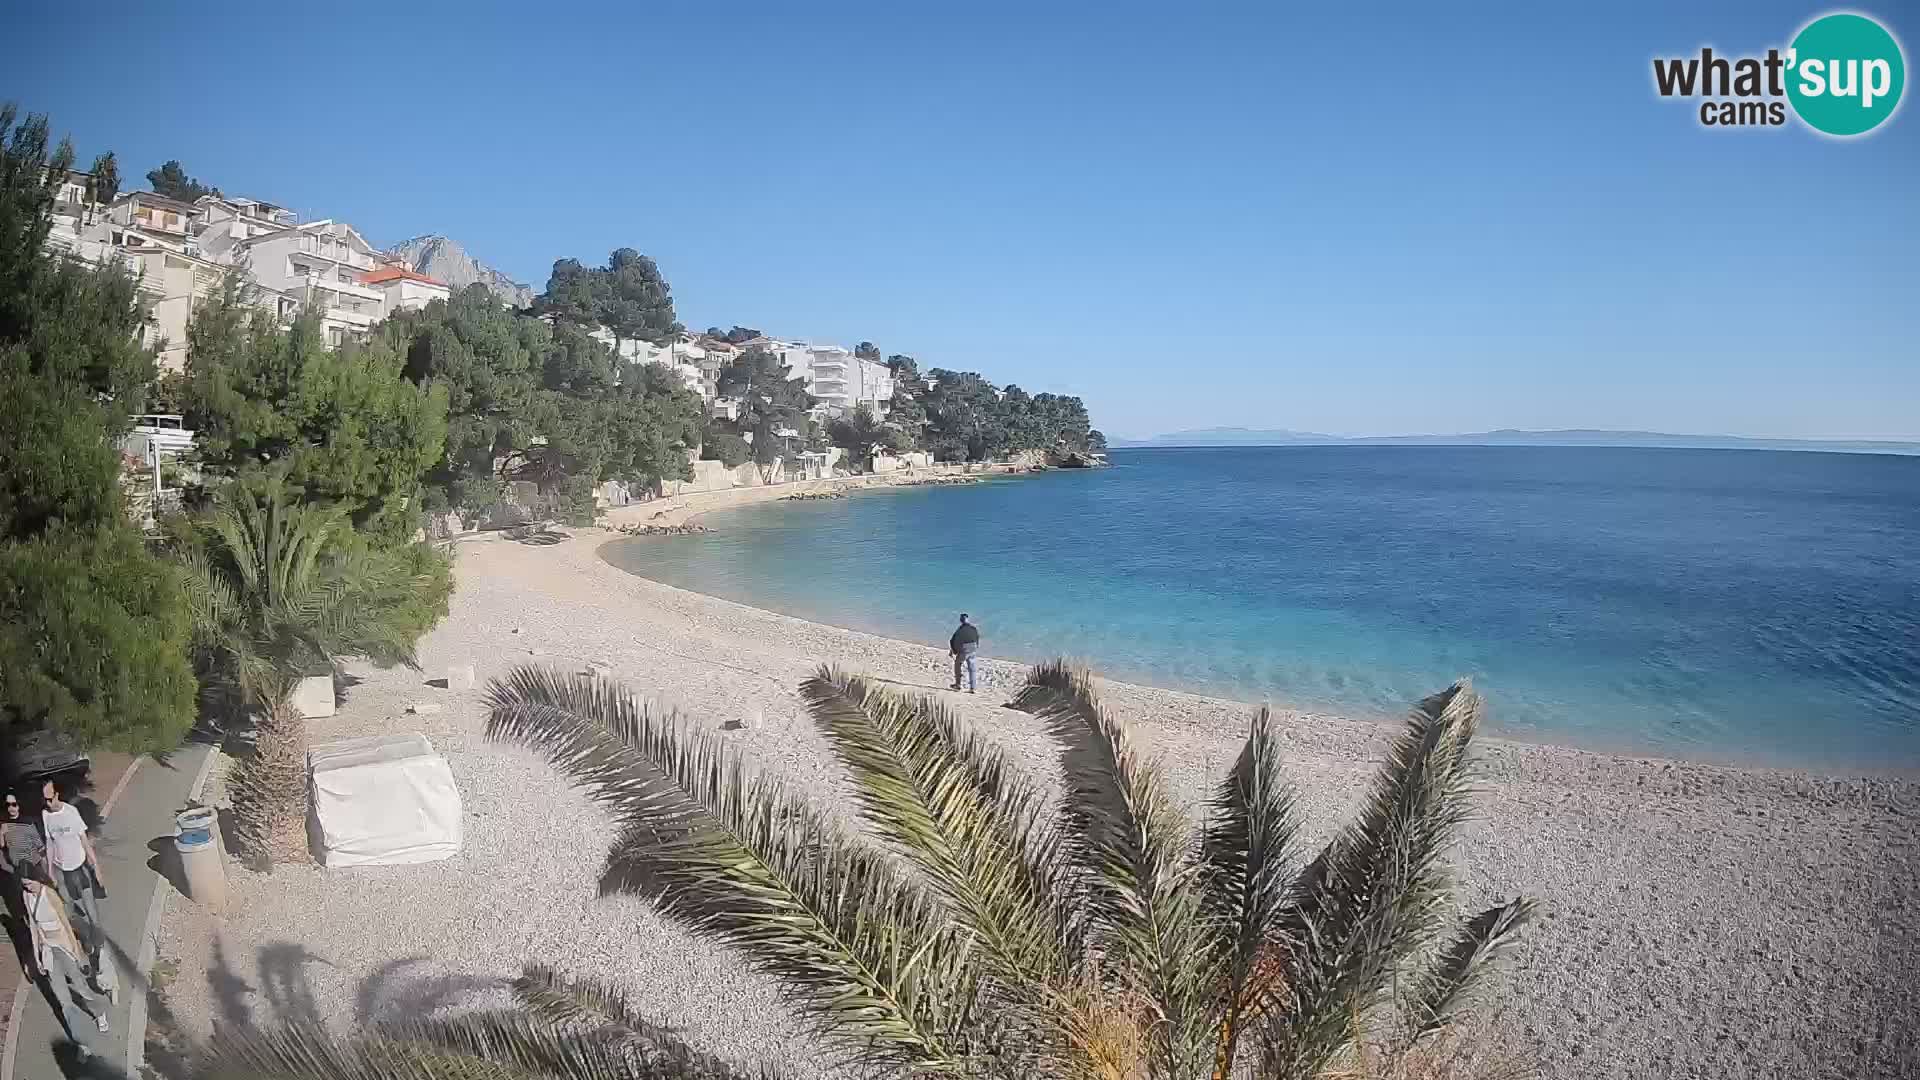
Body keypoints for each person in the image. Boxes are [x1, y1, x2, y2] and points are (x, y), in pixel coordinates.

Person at [22, 873, 110, 1059]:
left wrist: (77, 954)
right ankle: (82, 1043)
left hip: (65, 948)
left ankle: (98, 1012)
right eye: (25, 884)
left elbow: (66, 925)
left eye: (30, 883)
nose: (28, 887)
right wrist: (37, 956)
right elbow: (33, 926)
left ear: (38, 879)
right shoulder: (26, 896)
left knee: (81, 987)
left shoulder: (50, 895)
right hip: (48, 950)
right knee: (64, 1001)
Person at [40, 780, 104, 954]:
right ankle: (85, 938)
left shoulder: (71, 813)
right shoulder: (46, 815)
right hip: (62, 872)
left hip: (79, 869)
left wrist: (96, 866)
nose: (48, 803)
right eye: (44, 800)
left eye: (50, 799)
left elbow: (84, 841)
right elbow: (50, 843)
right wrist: (51, 871)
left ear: (57, 795)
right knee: (69, 912)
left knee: (91, 912)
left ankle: (99, 947)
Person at [1, 792, 46, 905]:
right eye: (8, 805)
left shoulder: (28, 822)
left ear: (19, 806)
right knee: (25, 900)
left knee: (41, 897)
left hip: (32, 866)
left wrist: (44, 866)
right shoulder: (4, 824)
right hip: (16, 868)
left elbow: (39, 845)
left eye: (14, 804)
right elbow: (2, 846)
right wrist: (1, 832)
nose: (11, 808)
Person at [949, 613, 981, 693]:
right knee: (972, 668)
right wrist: (976, 647)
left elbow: (953, 641)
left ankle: (958, 685)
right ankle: (973, 688)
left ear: (961, 620)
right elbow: (977, 638)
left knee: (957, 664)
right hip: (973, 648)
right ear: (968, 619)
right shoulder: (973, 628)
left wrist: (953, 651)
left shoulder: (960, 630)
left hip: (965, 649)